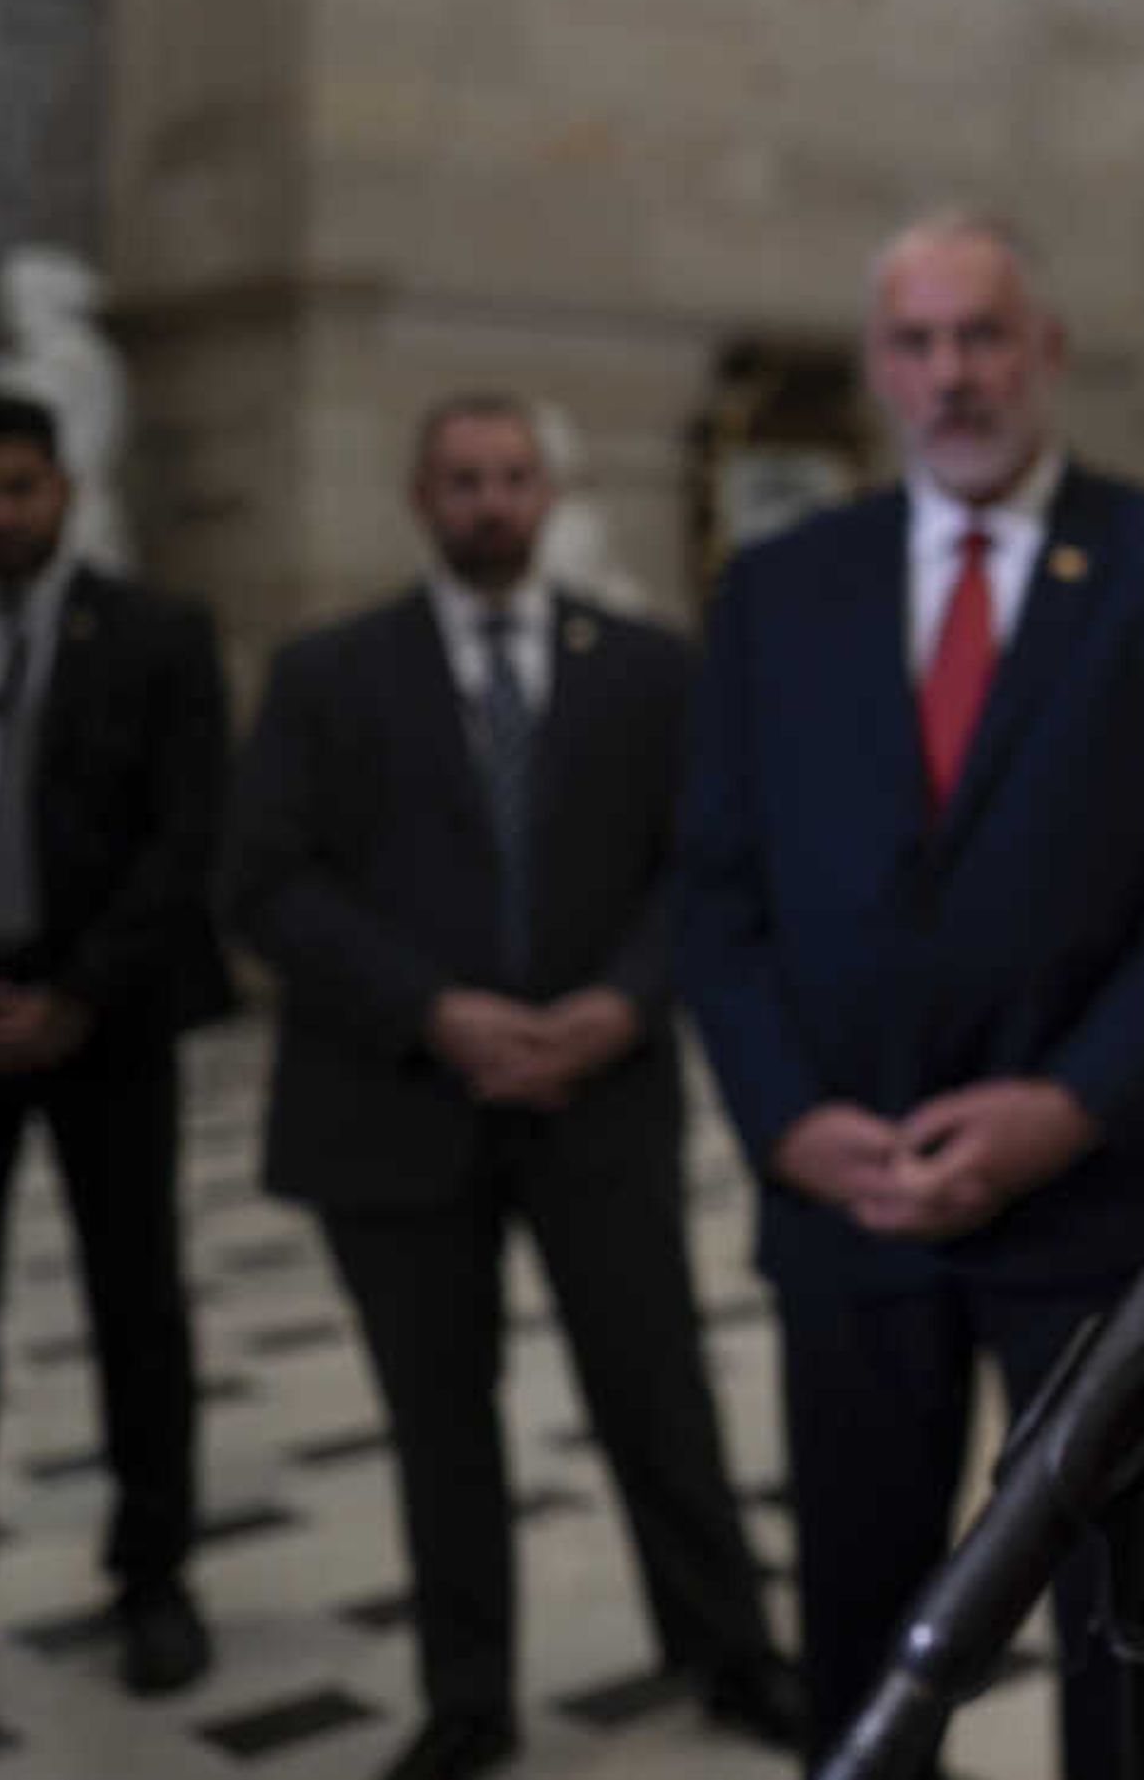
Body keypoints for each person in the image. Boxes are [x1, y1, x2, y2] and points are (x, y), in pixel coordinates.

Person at [674, 212, 1144, 1780]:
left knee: (1104, 1607)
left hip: (1082, 1206)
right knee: (866, 1607)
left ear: (1047, 351)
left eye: (983, 337)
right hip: (844, 1201)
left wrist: (1065, 1105)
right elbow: (715, 893)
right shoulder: (776, 588)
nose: (953, 376)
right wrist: (789, 1121)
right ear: (880, 369)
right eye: (919, 343)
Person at [224, 395, 799, 1780]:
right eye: (464, 479)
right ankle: (467, 1695)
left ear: (550, 491)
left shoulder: (651, 667)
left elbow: (709, 864)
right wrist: (436, 1010)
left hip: (601, 1095)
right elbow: (263, 880)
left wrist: (618, 1000)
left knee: (657, 1390)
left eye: (513, 477)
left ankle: (727, 1650)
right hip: (397, 1099)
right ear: (421, 496)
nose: (490, 501)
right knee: (440, 1417)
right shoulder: (329, 670)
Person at [0, 387, 224, 1696]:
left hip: (104, 1014)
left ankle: (153, 1572)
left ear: (63, 488)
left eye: (17, 485)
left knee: (137, 1303)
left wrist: (76, 995)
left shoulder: (158, 632)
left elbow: (187, 836)